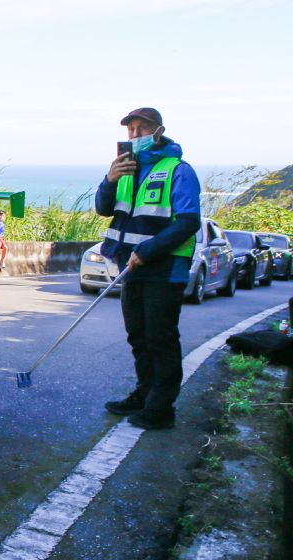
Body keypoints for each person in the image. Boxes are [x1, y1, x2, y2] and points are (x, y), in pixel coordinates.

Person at [97, 107, 201, 430]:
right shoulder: (125, 171)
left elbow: (188, 222)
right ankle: (144, 394)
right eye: (130, 130)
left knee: (160, 338)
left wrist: (148, 251)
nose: (135, 135)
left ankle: (160, 408)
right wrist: (110, 180)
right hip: (130, 267)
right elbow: (103, 208)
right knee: (138, 338)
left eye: (141, 129)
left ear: (158, 131)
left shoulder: (179, 170)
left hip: (164, 269)